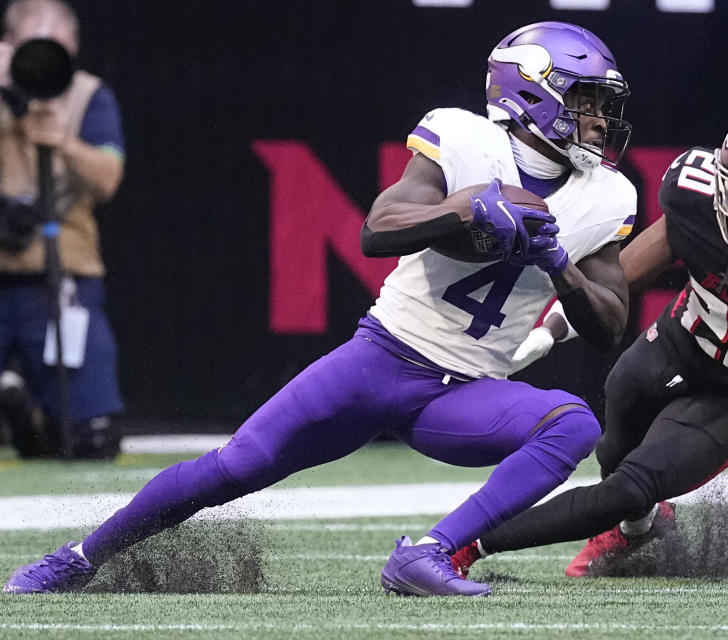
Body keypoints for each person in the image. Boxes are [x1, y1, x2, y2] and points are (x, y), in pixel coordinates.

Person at [4, 21, 637, 597]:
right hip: (384, 359)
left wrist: (560, 264)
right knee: (234, 468)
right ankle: (78, 558)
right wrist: (465, 208)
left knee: (573, 423)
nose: (601, 121)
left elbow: (609, 325)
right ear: (534, 90)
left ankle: (429, 553)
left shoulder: (608, 195)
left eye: (605, 108)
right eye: (588, 102)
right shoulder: (465, 137)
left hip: (467, 391)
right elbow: (379, 227)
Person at [450, 99, 728, 578]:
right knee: (613, 450)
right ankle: (641, 531)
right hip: (670, 347)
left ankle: (464, 547)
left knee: (628, 488)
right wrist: (553, 328)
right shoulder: (695, 200)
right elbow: (622, 278)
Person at [0, 0, 124, 459]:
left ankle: (28, 417)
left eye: (55, 46)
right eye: (32, 45)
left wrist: (65, 143)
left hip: (62, 276)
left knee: (92, 439)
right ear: (8, 46)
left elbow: (109, 179)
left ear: (72, 47)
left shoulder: (90, 96)